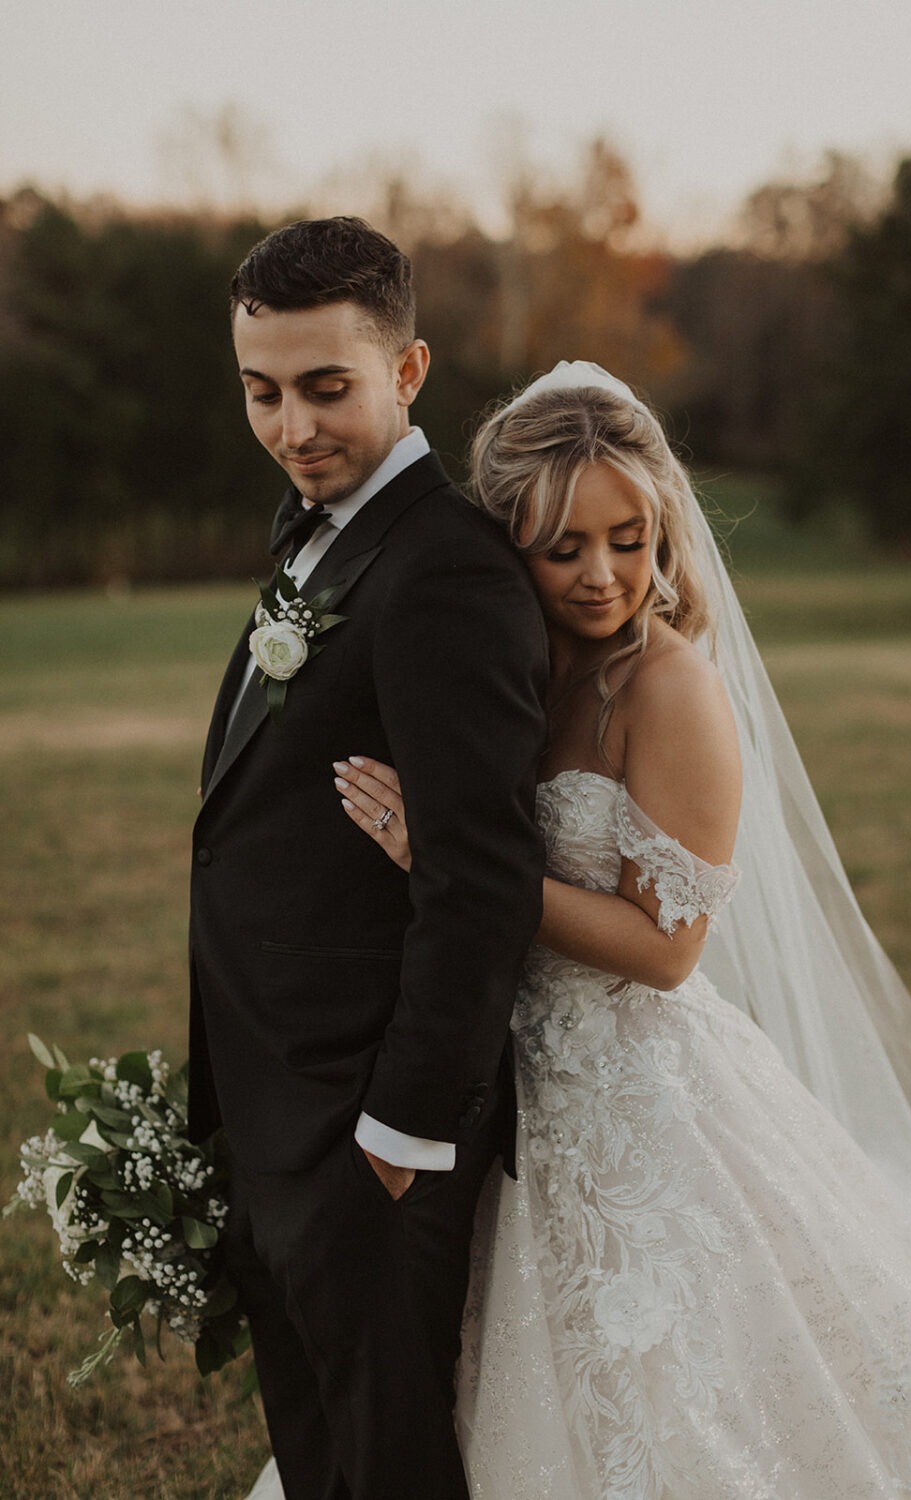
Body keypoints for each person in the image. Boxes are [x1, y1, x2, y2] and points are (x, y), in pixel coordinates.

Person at [317, 363, 911, 1497]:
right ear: (506, 548)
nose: (602, 578)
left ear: (663, 529)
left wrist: (458, 864)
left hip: (634, 1089)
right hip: (505, 1069)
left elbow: (666, 950)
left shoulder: (670, 685)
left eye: (628, 540)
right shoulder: (514, 667)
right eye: (564, 548)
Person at [187, 217, 549, 1500]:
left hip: (366, 1128)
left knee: (385, 1463)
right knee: (323, 1449)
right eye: (262, 391)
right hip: (280, 1101)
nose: (293, 427)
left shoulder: (445, 570)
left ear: (408, 374)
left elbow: (484, 880)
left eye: (327, 388)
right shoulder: (312, 532)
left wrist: (399, 1130)